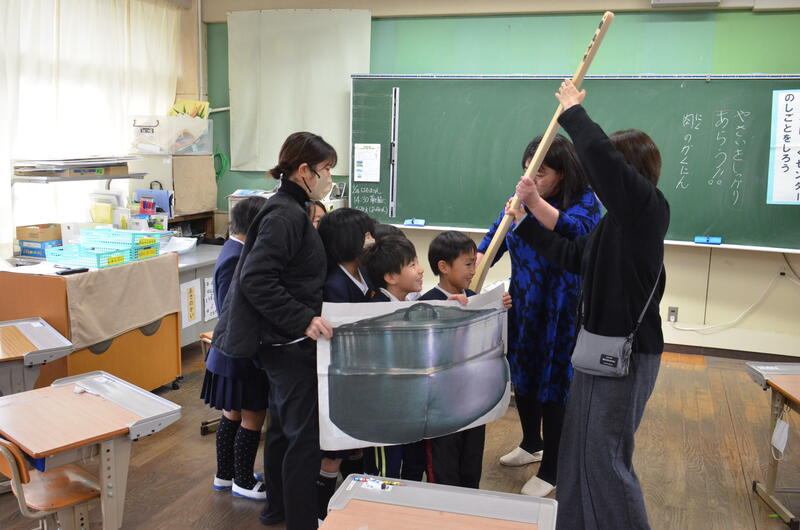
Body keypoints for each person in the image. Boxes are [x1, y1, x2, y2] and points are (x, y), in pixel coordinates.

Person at [512, 79, 669, 529]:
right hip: (596, 351)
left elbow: (603, 161)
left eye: (609, 170)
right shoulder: (613, 224)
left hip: (626, 357)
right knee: (578, 451)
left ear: (628, 172)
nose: (596, 177)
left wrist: (572, 113)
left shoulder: (648, 210)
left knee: (606, 458)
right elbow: (573, 256)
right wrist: (526, 223)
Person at [212, 131, 336, 530]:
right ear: (304, 170)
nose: (329, 178)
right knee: (302, 438)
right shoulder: (285, 214)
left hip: (282, 342)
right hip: (288, 342)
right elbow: (256, 278)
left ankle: (277, 509)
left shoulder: (290, 208)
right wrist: (303, 319)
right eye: (326, 169)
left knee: (283, 430)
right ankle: (300, 521)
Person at [478, 134, 600, 497]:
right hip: (524, 305)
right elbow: (494, 240)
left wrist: (532, 203)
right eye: (528, 171)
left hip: (562, 311)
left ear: (563, 172)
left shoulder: (585, 202)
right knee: (524, 376)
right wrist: (471, 268)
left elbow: (574, 231)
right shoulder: (523, 198)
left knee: (555, 387)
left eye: (541, 172)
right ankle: (532, 443)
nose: (531, 179)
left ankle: (553, 469)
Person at [418, 230, 511, 488]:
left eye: (473, 263)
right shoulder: (426, 304)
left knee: (471, 466)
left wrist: (500, 309)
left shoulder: (474, 299)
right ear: (444, 267)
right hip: (441, 410)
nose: (473, 270)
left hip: (473, 403)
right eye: (468, 264)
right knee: (444, 469)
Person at [201, 196, 270, 501]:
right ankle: (243, 479)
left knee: (232, 415)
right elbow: (231, 309)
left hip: (230, 351)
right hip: (239, 352)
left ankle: (226, 475)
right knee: (252, 418)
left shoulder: (234, 250)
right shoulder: (236, 257)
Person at [315, 207, 376, 520]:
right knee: (334, 452)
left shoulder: (362, 271)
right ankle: (321, 511)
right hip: (340, 376)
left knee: (355, 444)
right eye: (365, 234)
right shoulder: (334, 283)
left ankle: (354, 501)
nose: (371, 239)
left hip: (360, 373)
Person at [360, 235, 426, 480]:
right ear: (390, 277)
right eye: (412, 264)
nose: (420, 270)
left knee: (413, 463)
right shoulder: (375, 309)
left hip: (408, 407)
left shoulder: (406, 304)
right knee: (385, 472)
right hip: (384, 414)